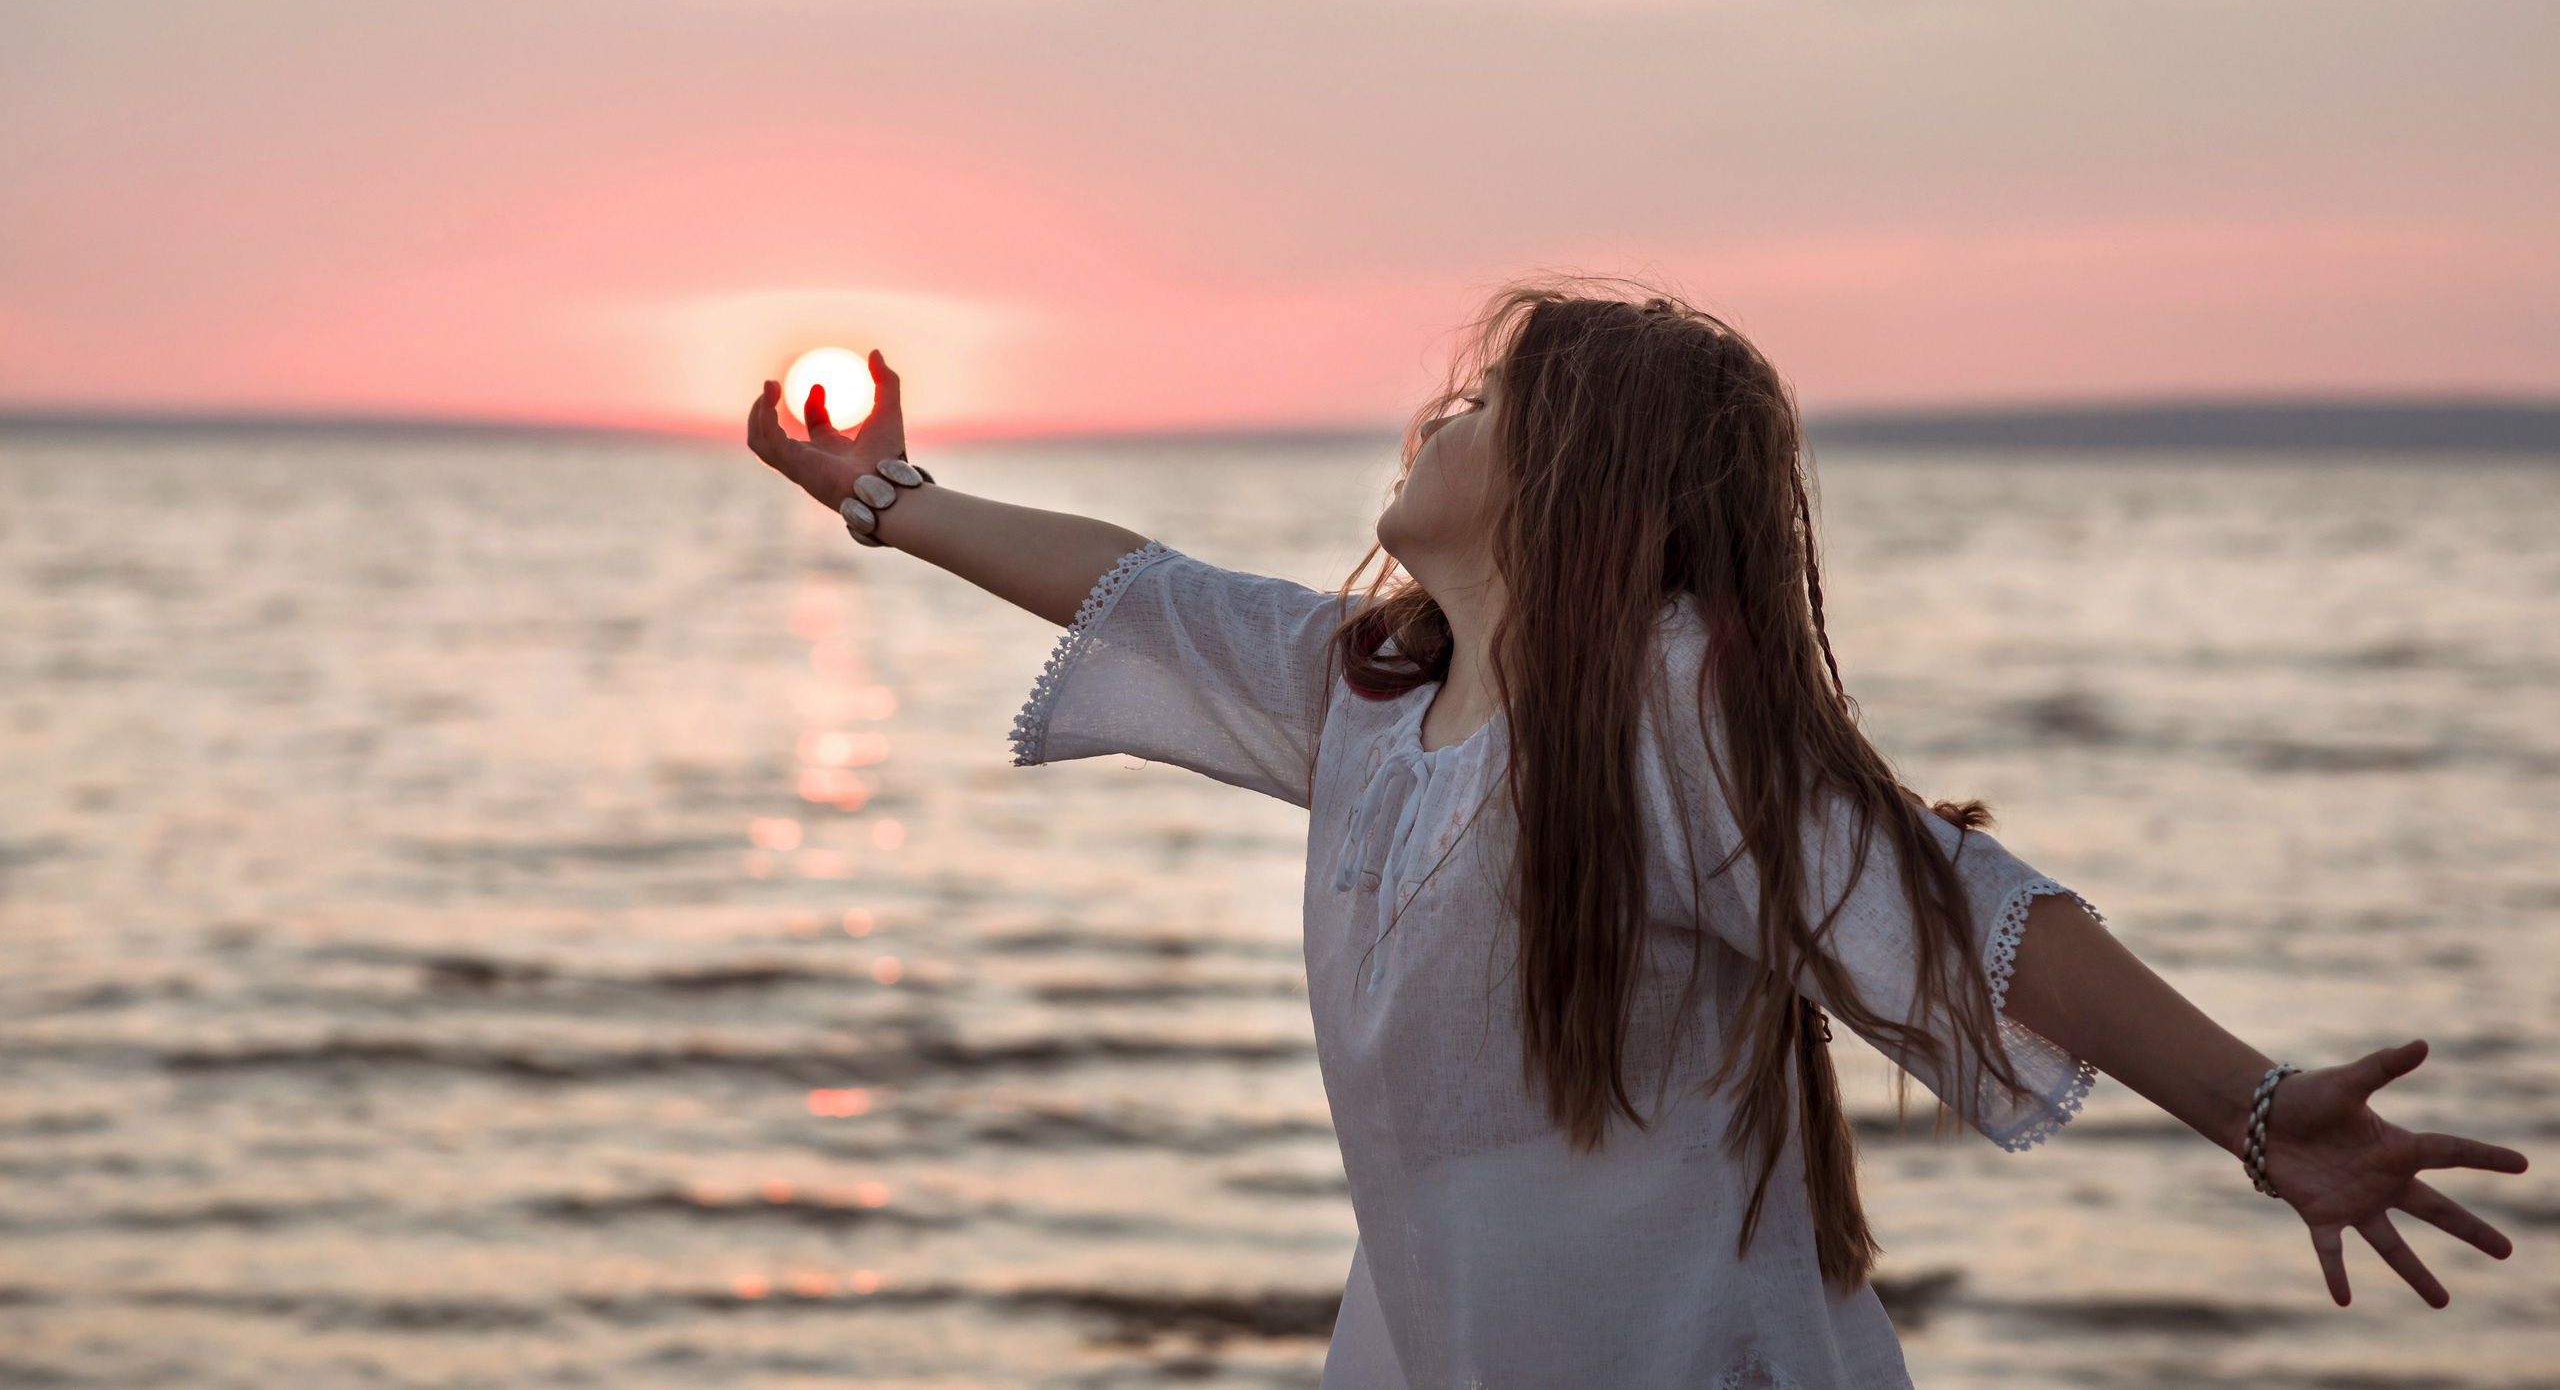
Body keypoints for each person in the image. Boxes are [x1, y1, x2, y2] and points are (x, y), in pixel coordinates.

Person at [746, 284, 2526, 1389]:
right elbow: (1137, 585)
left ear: (1582, 482)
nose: (1434, 413)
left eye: (1483, 402)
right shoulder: (1371, 690)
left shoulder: (1674, 710)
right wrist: (889, 500)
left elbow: (1954, 900)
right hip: (1443, 1349)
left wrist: (2258, 1108)